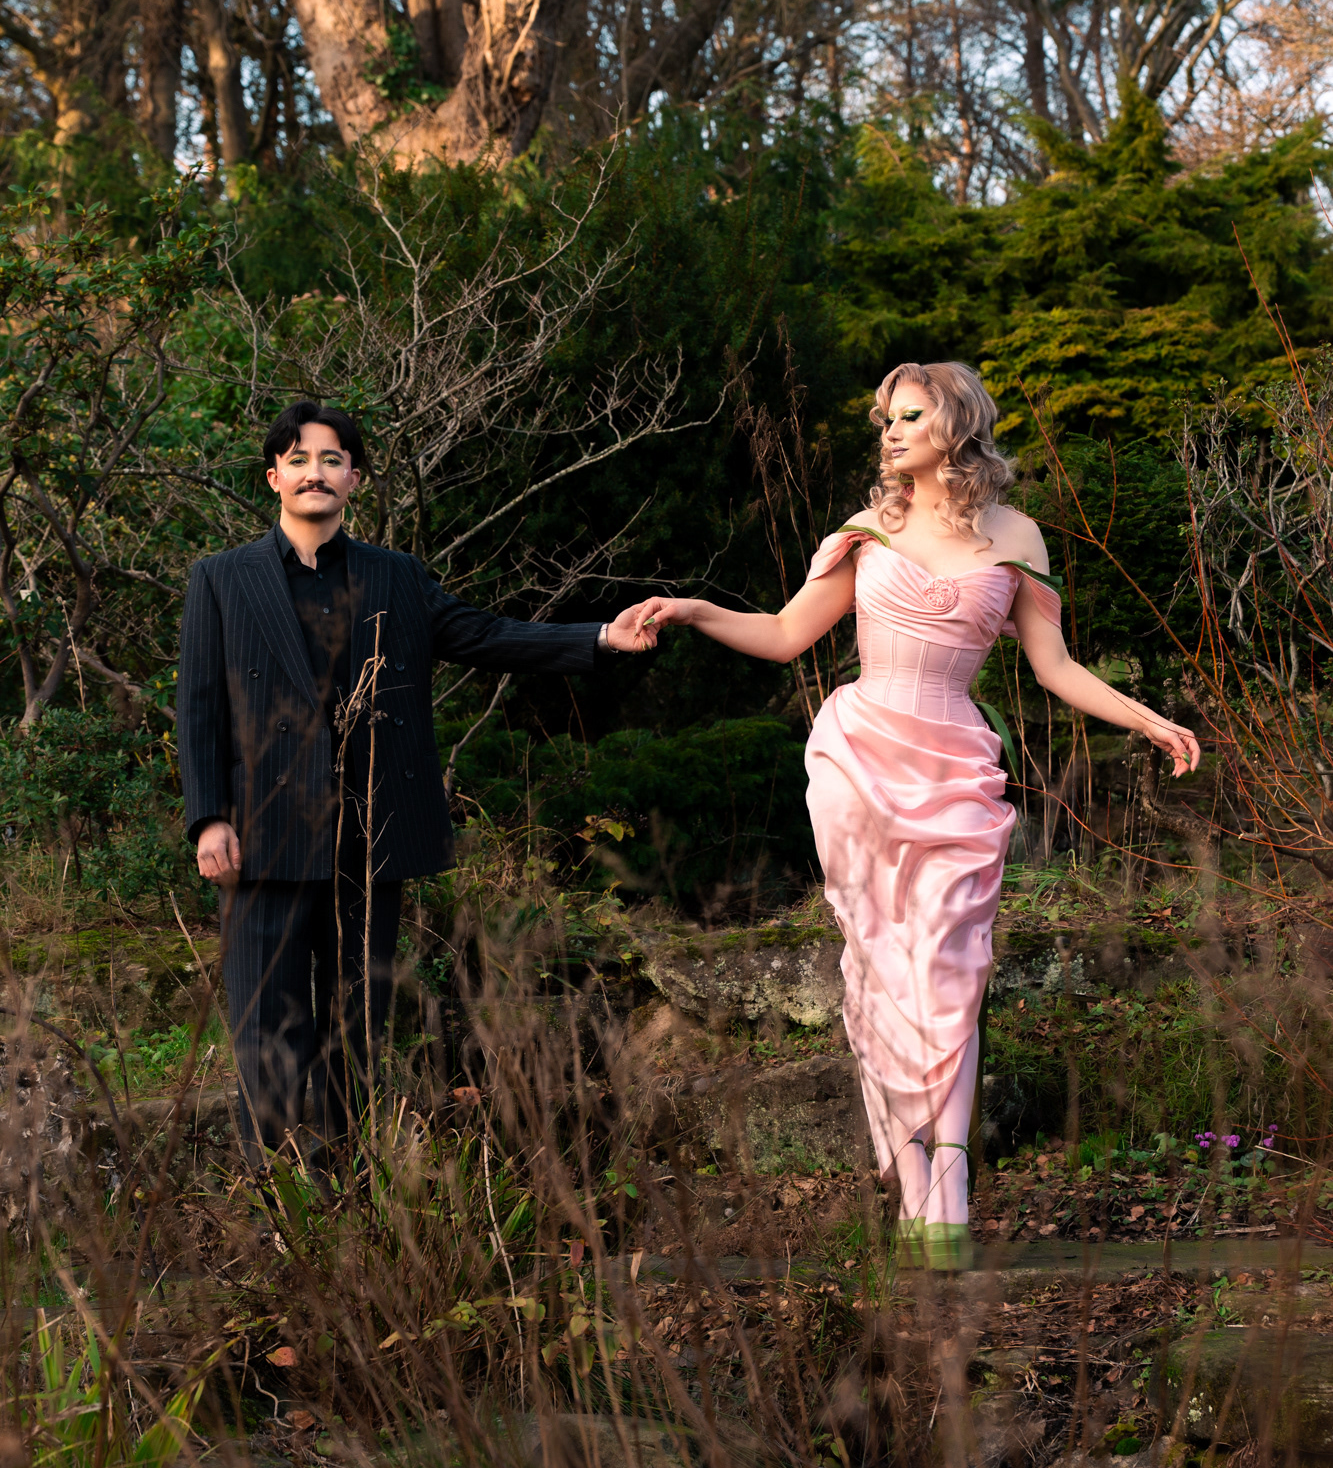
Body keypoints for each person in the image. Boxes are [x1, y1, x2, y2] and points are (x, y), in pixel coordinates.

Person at [633, 362, 1199, 1268]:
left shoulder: (1016, 536)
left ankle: (950, 1170)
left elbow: (1053, 667)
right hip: (859, 756)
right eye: (882, 420)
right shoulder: (867, 530)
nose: (888, 432)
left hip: (953, 763)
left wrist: (1145, 716)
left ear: (957, 424)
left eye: (908, 416)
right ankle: (921, 1189)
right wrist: (699, 610)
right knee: (880, 962)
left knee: (949, 963)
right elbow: (785, 636)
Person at [178, 400, 651, 1174]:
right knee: (264, 1021)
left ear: (355, 480)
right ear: (273, 478)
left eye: (331, 460)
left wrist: (599, 637)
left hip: (372, 831)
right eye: (297, 460)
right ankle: (272, 1202)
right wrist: (208, 821)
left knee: (355, 1021)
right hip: (263, 832)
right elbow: (198, 706)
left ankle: (346, 1187)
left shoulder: (393, 577)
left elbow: (484, 634)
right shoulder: (222, 579)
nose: (314, 473)